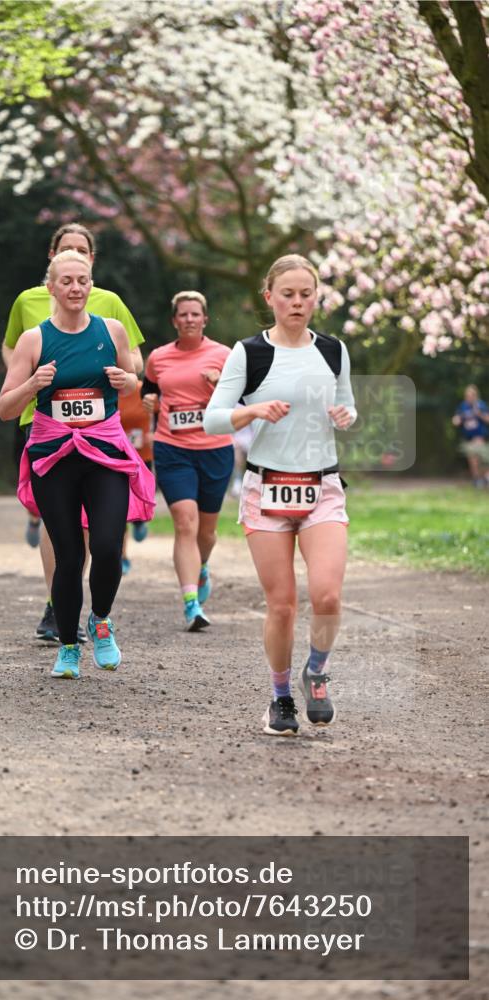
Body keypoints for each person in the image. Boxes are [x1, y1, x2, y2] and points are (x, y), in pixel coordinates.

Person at [204, 254, 356, 736]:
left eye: (305, 294)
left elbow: (347, 404)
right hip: (267, 488)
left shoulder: (333, 350)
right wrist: (252, 412)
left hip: (322, 485)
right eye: (287, 294)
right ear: (269, 297)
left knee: (328, 594)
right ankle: (280, 697)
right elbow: (212, 418)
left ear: (316, 298)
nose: (297, 302)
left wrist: (345, 416)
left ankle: (317, 671)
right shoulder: (249, 353)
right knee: (283, 604)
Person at [0, 249, 155, 679]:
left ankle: (100, 620)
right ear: (51, 287)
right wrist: (33, 384)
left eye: (82, 280)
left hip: (104, 451)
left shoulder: (112, 330)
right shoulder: (34, 340)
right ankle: (68, 645)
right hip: (54, 456)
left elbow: (133, 383)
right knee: (69, 556)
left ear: (91, 284)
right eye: (66, 281)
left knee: (107, 546)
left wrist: (127, 381)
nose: (75, 288)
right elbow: (5, 408)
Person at [142, 291, 234, 631]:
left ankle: (202, 565)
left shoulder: (224, 355)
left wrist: (222, 384)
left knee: (206, 531)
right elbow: (148, 390)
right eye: (183, 314)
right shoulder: (158, 357)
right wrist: (149, 402)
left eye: (195, 314)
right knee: (185, 522)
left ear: (205, 319)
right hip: (172, 448)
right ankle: (191, 603)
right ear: (174, 320)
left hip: (215, 449)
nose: (189, 319)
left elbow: (243, 397)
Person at [118, 379, 154, 574]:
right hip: (116, 458)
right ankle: (122, 556)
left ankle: (140, 521)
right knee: (118, 510)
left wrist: (155, 433)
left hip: (142, 458)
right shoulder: (105, 391)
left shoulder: (143, 391)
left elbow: (162, 412)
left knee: (140, 502)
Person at [452, 384, 489, 487]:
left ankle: (483, 478)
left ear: (475, 395)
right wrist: (457, 419)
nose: (468, 397)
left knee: (481, 459)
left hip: (480, 437)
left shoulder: (481, 405)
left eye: (470, 395)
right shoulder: (463, 406)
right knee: (472, 458)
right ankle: (477, 479)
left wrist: (479, 414)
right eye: (467, 395)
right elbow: (456, 420)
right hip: (468, 438)